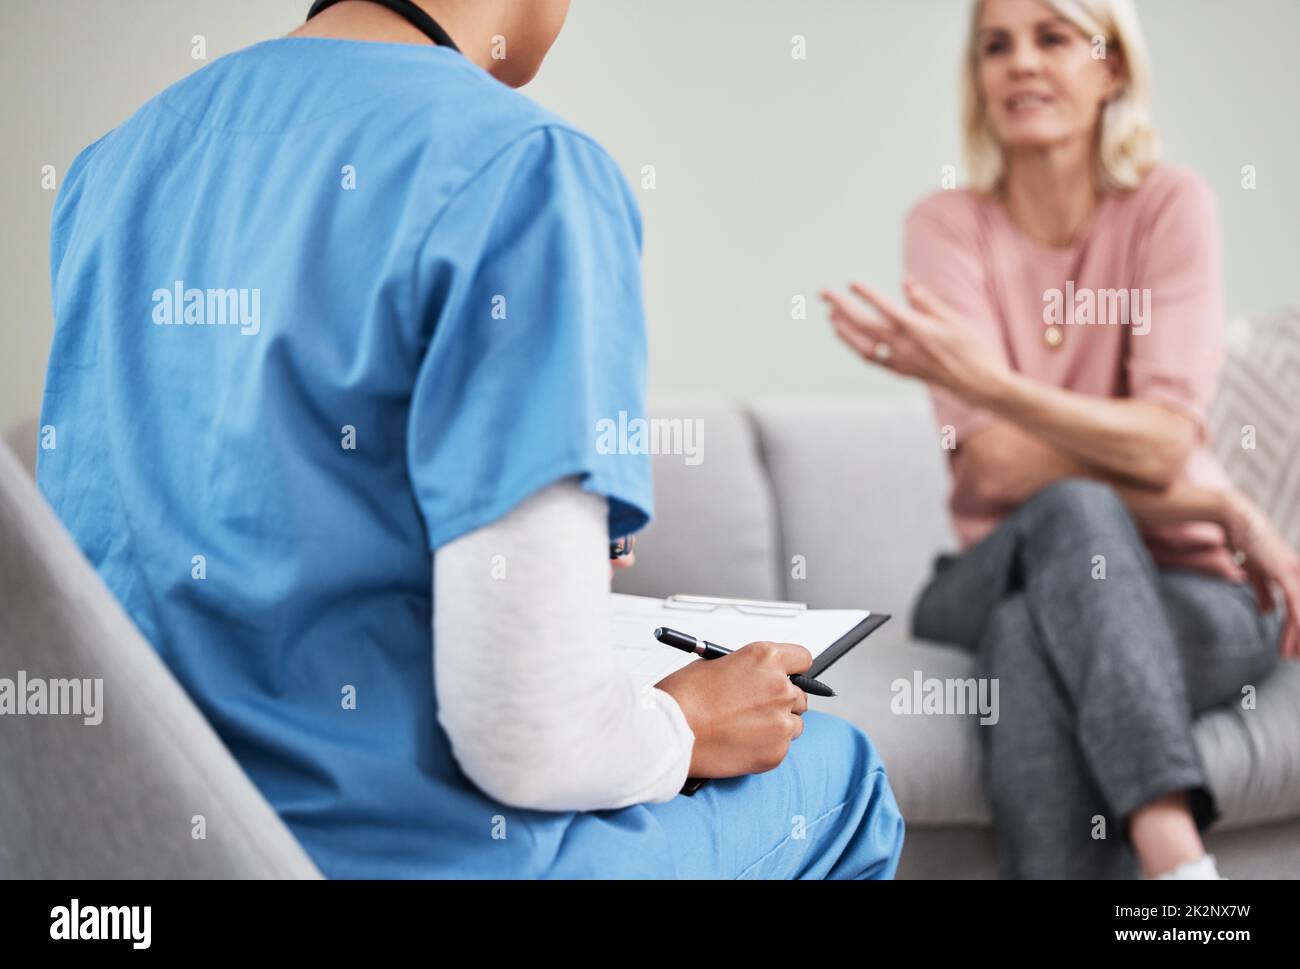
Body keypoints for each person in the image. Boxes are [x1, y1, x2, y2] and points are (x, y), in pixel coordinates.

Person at [37, 0, 904, 878]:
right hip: (401, 856)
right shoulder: (526, 169)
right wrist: (684, 725)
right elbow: (529, 740)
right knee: (845, 779)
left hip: (133, 853)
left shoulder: (114, 166)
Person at [821, 0, 1298, 879]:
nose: (1020, 63)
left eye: (1052, 37)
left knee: (1028, 643)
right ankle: (1181, 870)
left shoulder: (1168, 206)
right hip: (1002, 557)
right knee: (1071, 513)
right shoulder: (947, 226)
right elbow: (997, 462)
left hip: (1192, 584)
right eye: (995, 46)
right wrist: (1215, 497)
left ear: (1112, 66)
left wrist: (993, 385)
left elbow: (1161, 440)